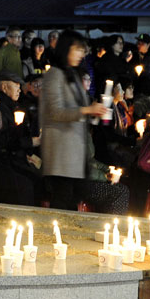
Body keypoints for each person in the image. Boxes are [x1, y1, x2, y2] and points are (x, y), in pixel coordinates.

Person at [39, 30, 123, 212]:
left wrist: (95, 111)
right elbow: (55, 112)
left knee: (72, 197)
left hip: (76, 150)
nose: (81, 54)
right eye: (77, 49)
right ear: (66, 49)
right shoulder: (54, 75)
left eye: (83, 50)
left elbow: (80, 109)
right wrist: (87, 109)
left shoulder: (73, 75)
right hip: (61, 149)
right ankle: (54, 233)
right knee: (63, 198)